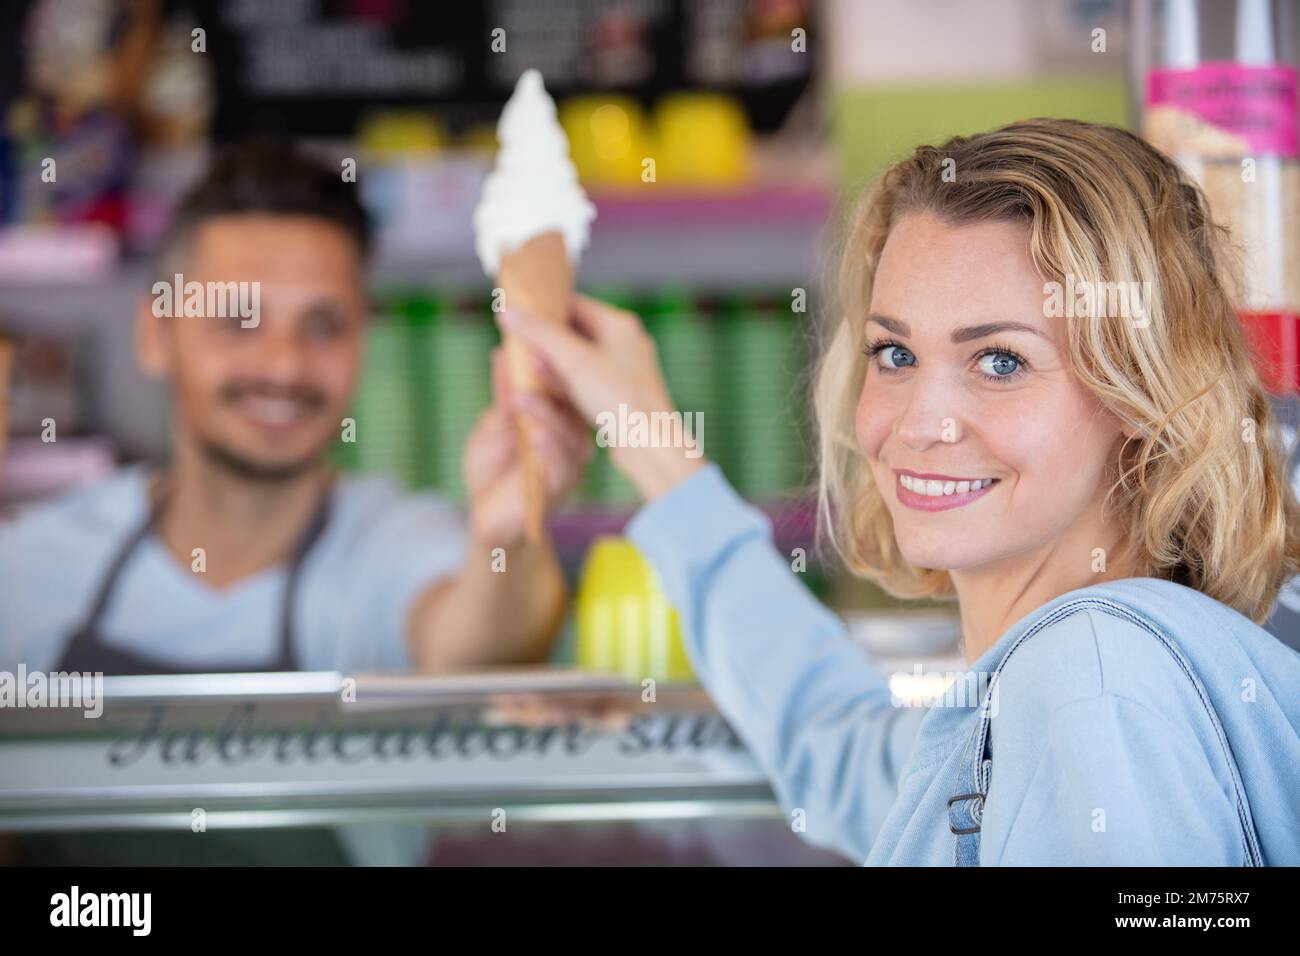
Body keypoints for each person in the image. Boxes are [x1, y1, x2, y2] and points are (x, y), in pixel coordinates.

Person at [501, 118, 1300, 865]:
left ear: (1140, 396)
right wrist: (645, 436)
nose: (920, 423)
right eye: (894, 354)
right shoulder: (1052, 687)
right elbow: (845, 749)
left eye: (1000, 362)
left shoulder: (1090, 681)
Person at [0, 137, 591, 677]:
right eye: (238, 320)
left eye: (323, 324)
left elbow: (479, 652)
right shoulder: (34, 565)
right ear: (157, 337)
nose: (284, 366)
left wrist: (509, 537)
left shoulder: (391, 547)